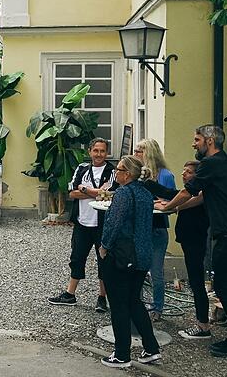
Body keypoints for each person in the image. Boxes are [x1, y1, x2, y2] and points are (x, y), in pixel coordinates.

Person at [155, 125, 227, 360]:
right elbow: (200, 198)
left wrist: (167, 208)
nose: (194, 143)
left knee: (223, 285)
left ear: (209, 141)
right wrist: (174, 208)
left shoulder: (211, 164)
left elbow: (189, 191)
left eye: (197, 139)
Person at [99, 155, 161, 368]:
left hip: (123, 255)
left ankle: (122, 353)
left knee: (118, 304)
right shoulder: (145, 193)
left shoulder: (123, 193)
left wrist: (104, 246)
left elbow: (113, 224)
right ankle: (151, 348)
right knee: (135, 302)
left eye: (118, 169)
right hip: (142, 255)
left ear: (127, 174)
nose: (116, 172)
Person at [144, 161, 211, 339]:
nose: (184, 174)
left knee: (197, 282)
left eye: (188, 172)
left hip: (195, 242)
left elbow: (179, 198)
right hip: (189, 241)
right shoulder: (190, 195)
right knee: (194, 281)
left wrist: (167, 205)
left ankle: (203, 325)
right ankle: (202, 322)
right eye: (184, 170)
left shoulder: (201, 195)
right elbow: (171, 194)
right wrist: (149, 184)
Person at [48, 138, 115, 312]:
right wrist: (98, 192)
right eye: (96, 150)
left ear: (106, 153)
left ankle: (102, 297)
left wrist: (84, 189)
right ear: (90, 152)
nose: (99, 154)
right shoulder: (82, 169)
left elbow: (110, 195)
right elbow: (72, 193)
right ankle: (70, 294)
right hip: (82, 222)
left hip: (102, 224)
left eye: (102, 151)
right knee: (77, 257)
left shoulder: (112, 171)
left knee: (104, 260)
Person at [134, 138, 175, 322]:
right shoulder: (138, 175)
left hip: (157, 227)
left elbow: (172, 202)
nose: (135, 155)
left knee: (156, 271)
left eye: (139, 151)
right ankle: (137, 304)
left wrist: (155, 203)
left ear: (148, 154)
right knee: (136, 269)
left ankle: (158, 307)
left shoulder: (165, 175)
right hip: (139, 227)